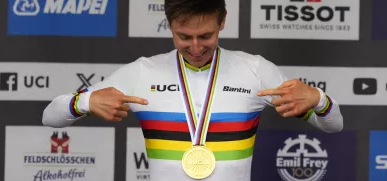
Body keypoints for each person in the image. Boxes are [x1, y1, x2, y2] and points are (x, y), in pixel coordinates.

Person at [42, 0, 343, 180]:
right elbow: (50, 117)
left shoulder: (255, 70)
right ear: (169, 24)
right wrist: (84, 101)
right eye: (183, 36)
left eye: (206, 35)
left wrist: (319, 99)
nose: (196, 48)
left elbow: (334, 124)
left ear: (222, 21)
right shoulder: (142, 71)